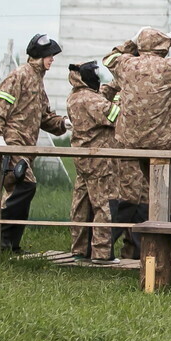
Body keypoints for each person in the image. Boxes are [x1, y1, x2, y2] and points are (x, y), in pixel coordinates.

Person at [102, 26, 171, 240]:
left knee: (153, 189)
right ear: (164, 48)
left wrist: (131, 41)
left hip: (131, 142)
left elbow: (109, 59)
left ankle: (159, 232)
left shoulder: (126, 64)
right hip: (165, 143)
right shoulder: (170, 67)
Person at [0, 33, 69, 253]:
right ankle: (1, 242)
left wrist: (64, 123)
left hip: (27, 147)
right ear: (39, 56)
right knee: (24, 186)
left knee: (23, 189)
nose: (52, 59)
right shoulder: (19, 76)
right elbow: (0, 105)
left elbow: (44, 117)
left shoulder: (38, 81)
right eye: (50, 55)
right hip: (13, 143)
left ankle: (10, 245)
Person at [65, 60, 118, 263]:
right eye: (94, 73)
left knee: (81, 205)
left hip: (82, 160)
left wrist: (116, 83)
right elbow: (117, 117)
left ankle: (80, 250)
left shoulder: (75, 97)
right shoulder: (93, 100)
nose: (97, 76)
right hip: (99, 161)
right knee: (104, 205)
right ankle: (102, 253)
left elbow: (99, 96)